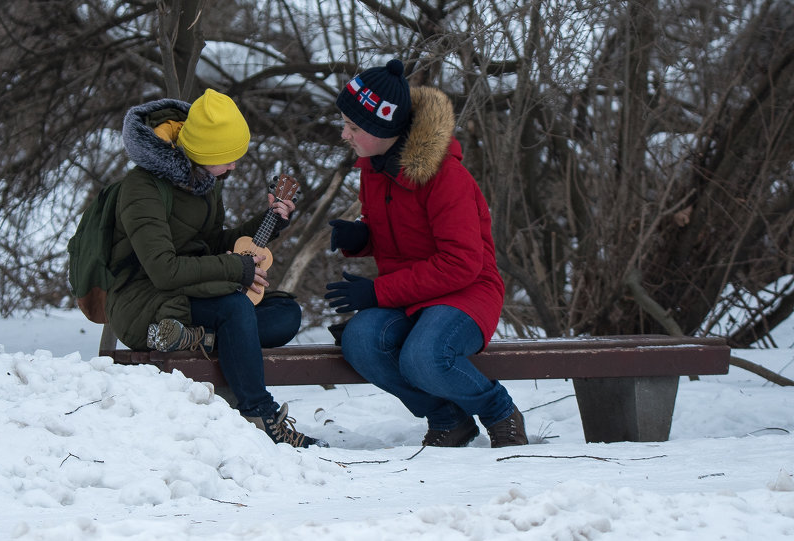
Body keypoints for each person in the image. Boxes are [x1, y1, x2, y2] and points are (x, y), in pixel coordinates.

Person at [323, 59, 528, 449]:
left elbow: (461, 263)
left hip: (467, 293)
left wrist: (377, 293)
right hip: (410, 294)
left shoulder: (447, 177)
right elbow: (403, 236)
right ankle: (447, 419)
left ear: (384, 129)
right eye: (345, 123)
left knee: (424, 356)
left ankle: (500, 412)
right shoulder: (374, 168)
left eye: (353, 127)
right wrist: (361, 238)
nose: (345, 134)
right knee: (361, 341)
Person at [106, 88, 323, 448]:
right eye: (228, 158)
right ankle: (260, 413)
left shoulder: (204, 182)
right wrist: (235, 269)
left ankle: (198, 338)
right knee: (237, 307)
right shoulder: (141, 189)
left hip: (189, 297)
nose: (235, 166)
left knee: (285, 313)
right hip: (146, 301)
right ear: (203, 152)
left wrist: (270, 221)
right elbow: (163, 270)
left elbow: (212, 244)